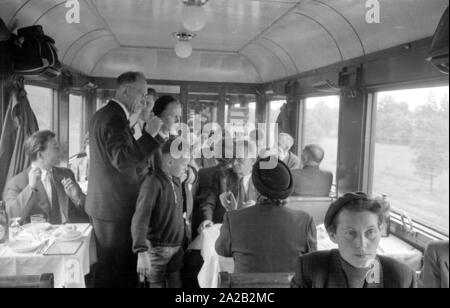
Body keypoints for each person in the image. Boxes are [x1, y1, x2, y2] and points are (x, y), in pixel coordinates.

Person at [86, 71, 163, 288]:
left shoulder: (103, 114)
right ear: (126, 90)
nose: (144, 99)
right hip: (114, 209)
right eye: (142, 93)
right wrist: (150, 135)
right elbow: (123, 161)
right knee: (118, 273)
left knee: (110, 269)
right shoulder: (115, 119)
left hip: (105, 206)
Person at [291, 192, 417, 288]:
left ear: (381, 231)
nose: (361, 244)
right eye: (351, 233)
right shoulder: (309, 270)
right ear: (332, 234)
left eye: (370, 232)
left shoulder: (402, 278)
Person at [215, 157, 317, 273]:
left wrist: (231, 211)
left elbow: (221, 250)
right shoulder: (304, 221)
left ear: (255, 187)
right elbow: (313, 261)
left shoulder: (233, 219)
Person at [132, 137, 190, 288]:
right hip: (157, 251)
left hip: (176, 248)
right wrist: (141, 251)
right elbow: (140, 218)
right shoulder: (152, 183)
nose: (186, 168)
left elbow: (187, 173)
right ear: (170, 162)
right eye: (184, 164)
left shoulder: (175, 178)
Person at [3, 130, 88, 224]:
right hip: (36, 237)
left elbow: (87, 213)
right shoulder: (17, 182)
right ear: (40, 155)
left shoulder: (66, 174)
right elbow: (9, 218)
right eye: (55, 148)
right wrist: (30, 188)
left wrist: (77, 199)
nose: (61, 150)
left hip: (68, 236)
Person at [199, 140, 258, 229]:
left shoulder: (261, 180)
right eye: (233, 158)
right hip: (224, 228)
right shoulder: (222, 176)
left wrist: (257, 207)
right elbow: (209, 202)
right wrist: (207, 219)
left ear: (253, 161)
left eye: (240, 160)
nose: (234, 163)